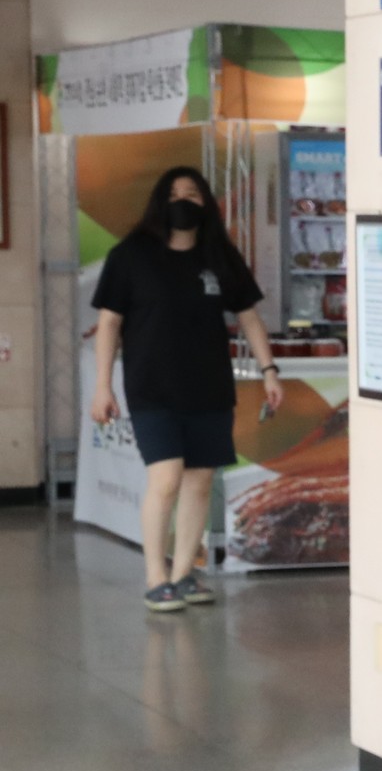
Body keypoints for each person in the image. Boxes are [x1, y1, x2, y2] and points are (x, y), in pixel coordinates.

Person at [88, 168, 280, 614]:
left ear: (206, 203)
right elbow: (110, 322)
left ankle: (184, 575)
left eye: (192, 194)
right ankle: (156, 576)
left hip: (210, 385)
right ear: (159, 201)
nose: (183, 201)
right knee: (168, 476)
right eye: (173, 193)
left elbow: (248, 315)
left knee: (200, 481)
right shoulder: (132, 255)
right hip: (152, 386)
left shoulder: (218, 255)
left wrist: (269, 369)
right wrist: (103, 386)